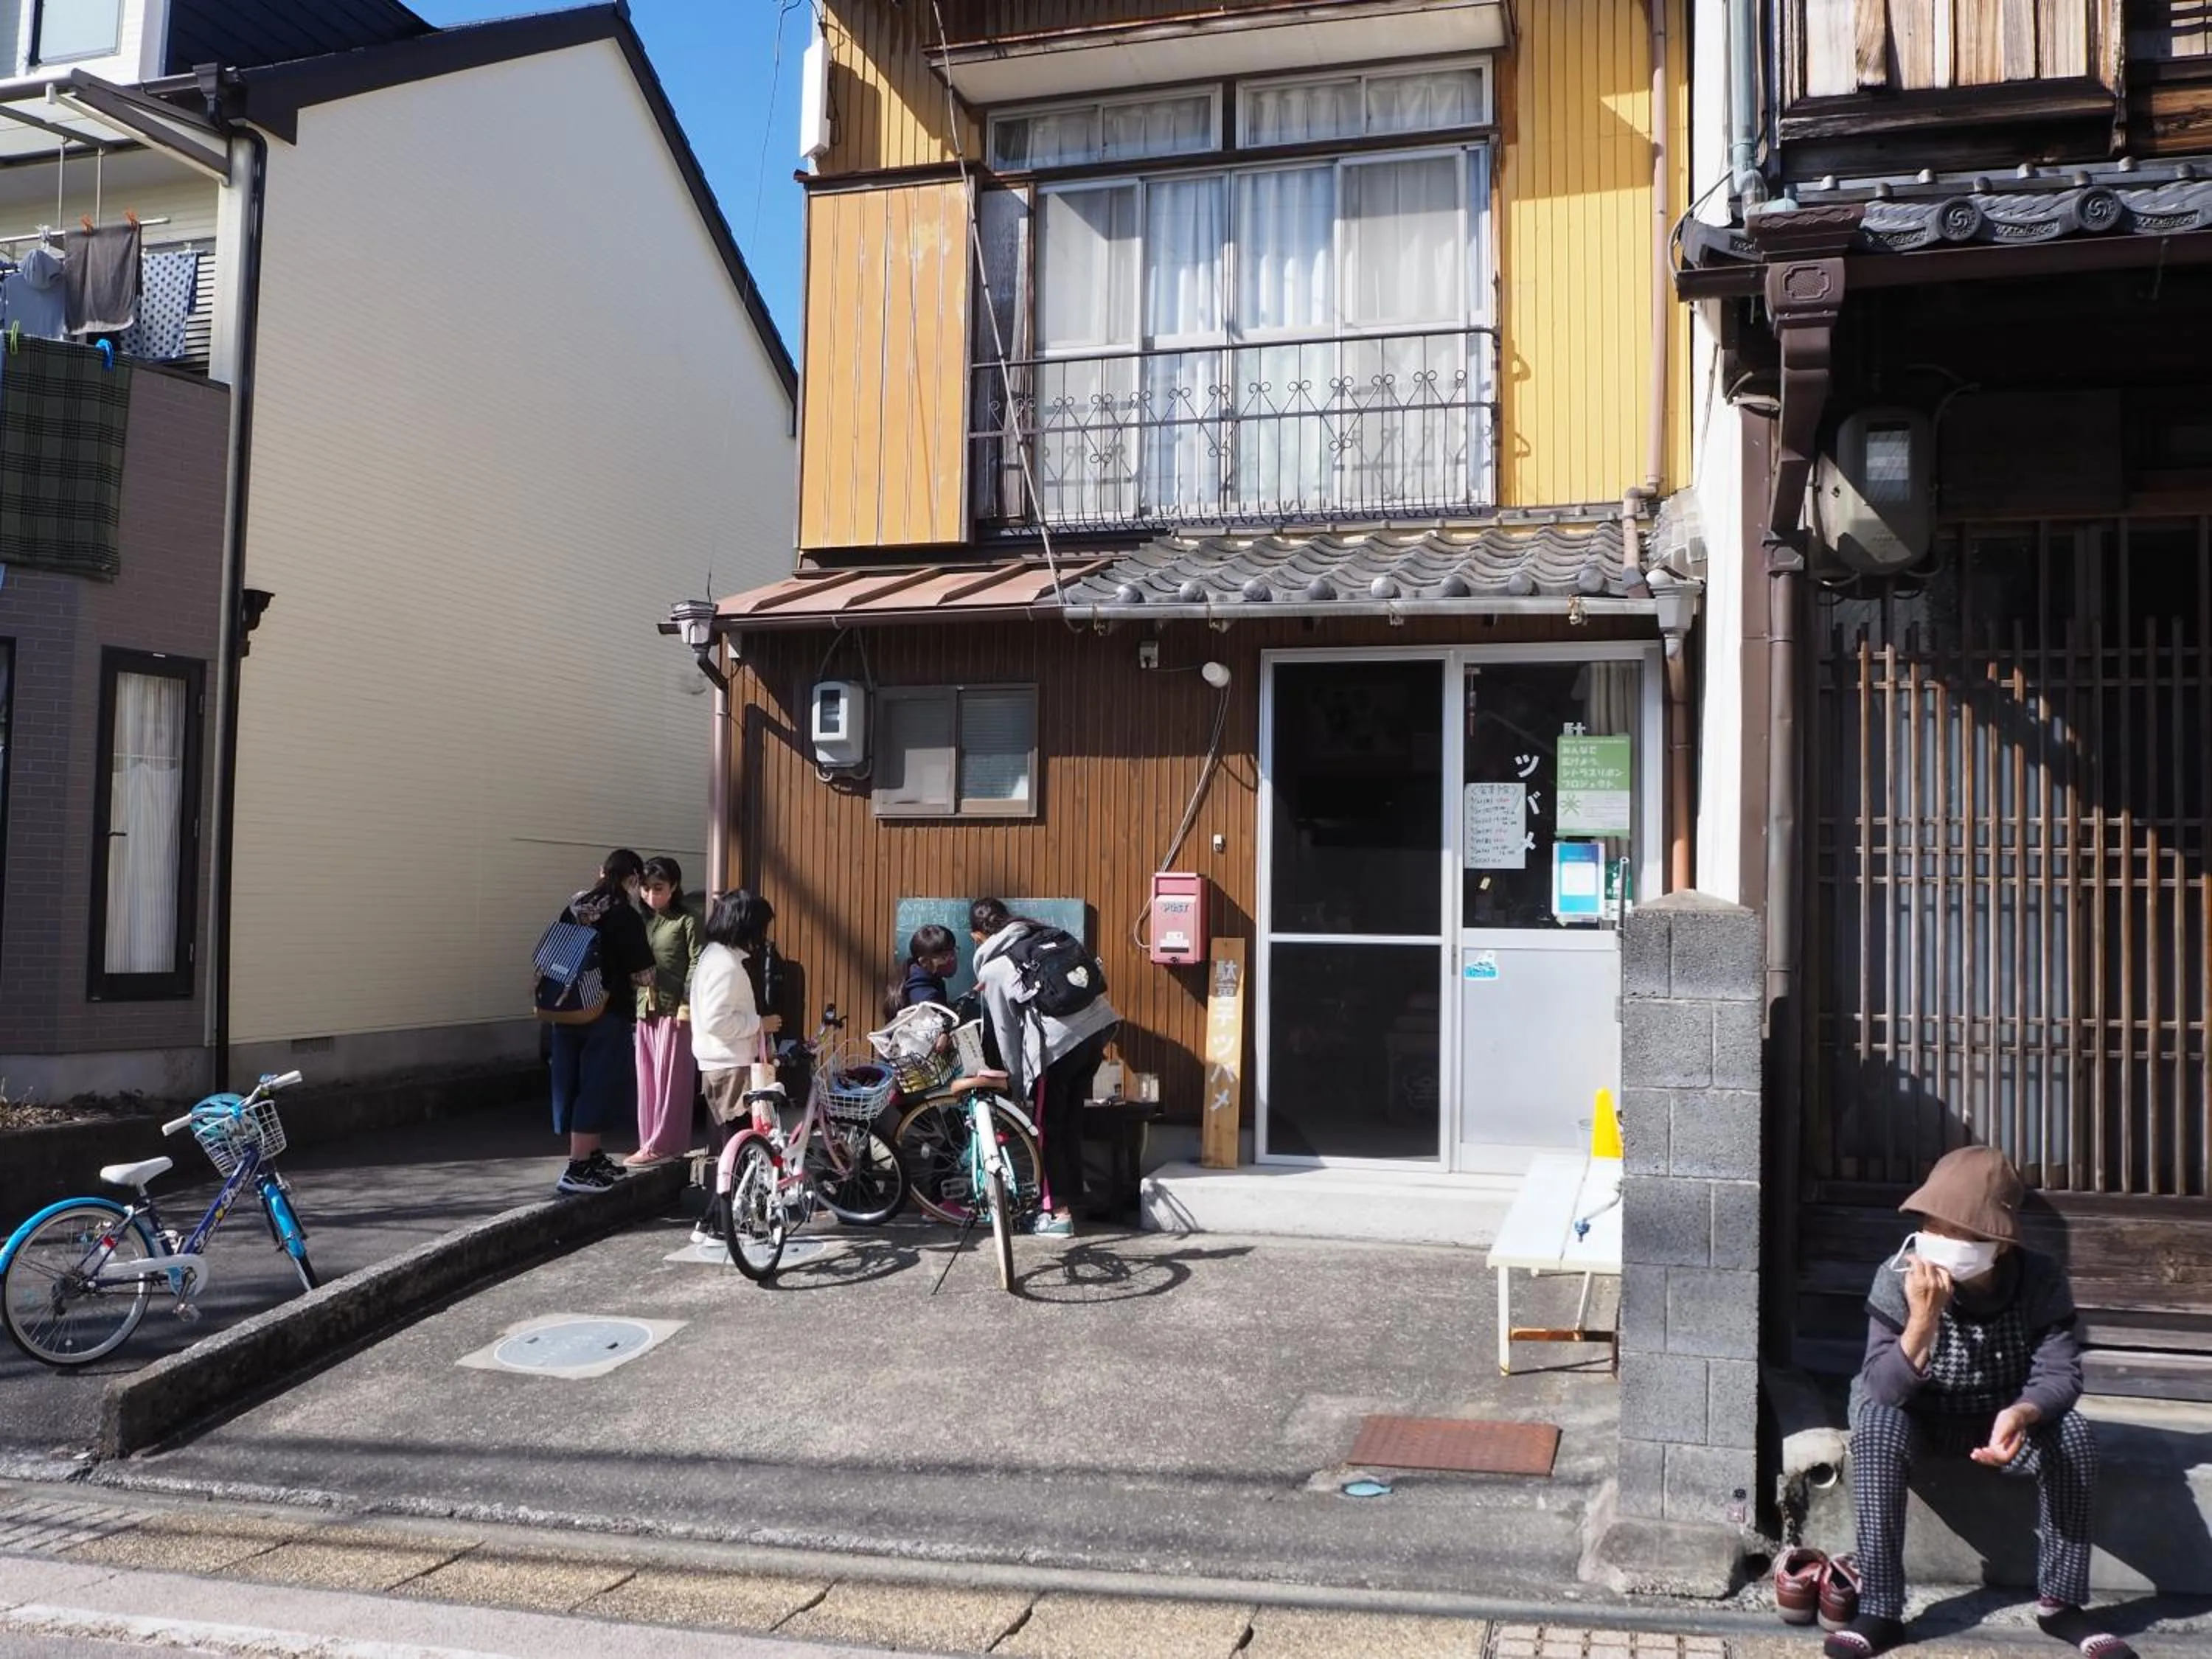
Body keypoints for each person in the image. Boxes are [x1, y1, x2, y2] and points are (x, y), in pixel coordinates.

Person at [1827, 1145, 2132, 1659]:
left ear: (1998, 1243)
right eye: (1931, 1225)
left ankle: (2061, 1605)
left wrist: (2023, 1412)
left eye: (1957, 1232)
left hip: (2000, 1423)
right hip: (1917, 1419)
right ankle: (1880, 1607)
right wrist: (1922, 1321)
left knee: (2074, 1435)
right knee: (1876, 1425)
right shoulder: (1899, 1275)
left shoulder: (2039, 1279)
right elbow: (1881, 1387)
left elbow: (2061, 1373)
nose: (1938, 1242)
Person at [967, 897, 1118, 1239]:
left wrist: (1017, 1088)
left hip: (1058, 1048)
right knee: (1070, 1123)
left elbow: (1006, 1034)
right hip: (1097, 1031)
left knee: (1046, 1130)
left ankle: (1058, 1213)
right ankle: (1076, 1200)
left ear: (976, 936)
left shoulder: (994, 967)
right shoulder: (1045, 934)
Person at [550, 849, 655, 1195]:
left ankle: (592, 1156)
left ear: (600, 872)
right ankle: (578, 1165)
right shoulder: (625, 915)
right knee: (598, 1083)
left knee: (573, 1082)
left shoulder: (574, 907)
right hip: (605, 1011)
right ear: (634, 879)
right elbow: (643, 975)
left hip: (564, 1007)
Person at [690, 888, 782, 1242]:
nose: (763, 936)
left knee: (736, 1143)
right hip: (731, 1066)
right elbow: (718, 1021)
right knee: (742, 1145)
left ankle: (713, 1220)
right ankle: (723, 1222)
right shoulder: (725, 965)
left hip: (721, 1064)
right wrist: (761, 1023)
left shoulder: (714, 957)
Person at [628, 856, 703, 1169]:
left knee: (672, 1081)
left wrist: (687, 1003)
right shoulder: (642, 920)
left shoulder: (687, 919)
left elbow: (697, 962)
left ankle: (664, 1144)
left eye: (658, 888)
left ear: (673, 886)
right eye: (645, 889)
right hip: (646, 1008)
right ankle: (650, 1141)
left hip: (676, 1011)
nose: (650, 895)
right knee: (648, 1081)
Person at [884, 924, 959, 1020]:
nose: (952, 959)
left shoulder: (915, 976)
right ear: (924, 962)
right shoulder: (926, 999)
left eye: (954, 951)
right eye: (945, 957)